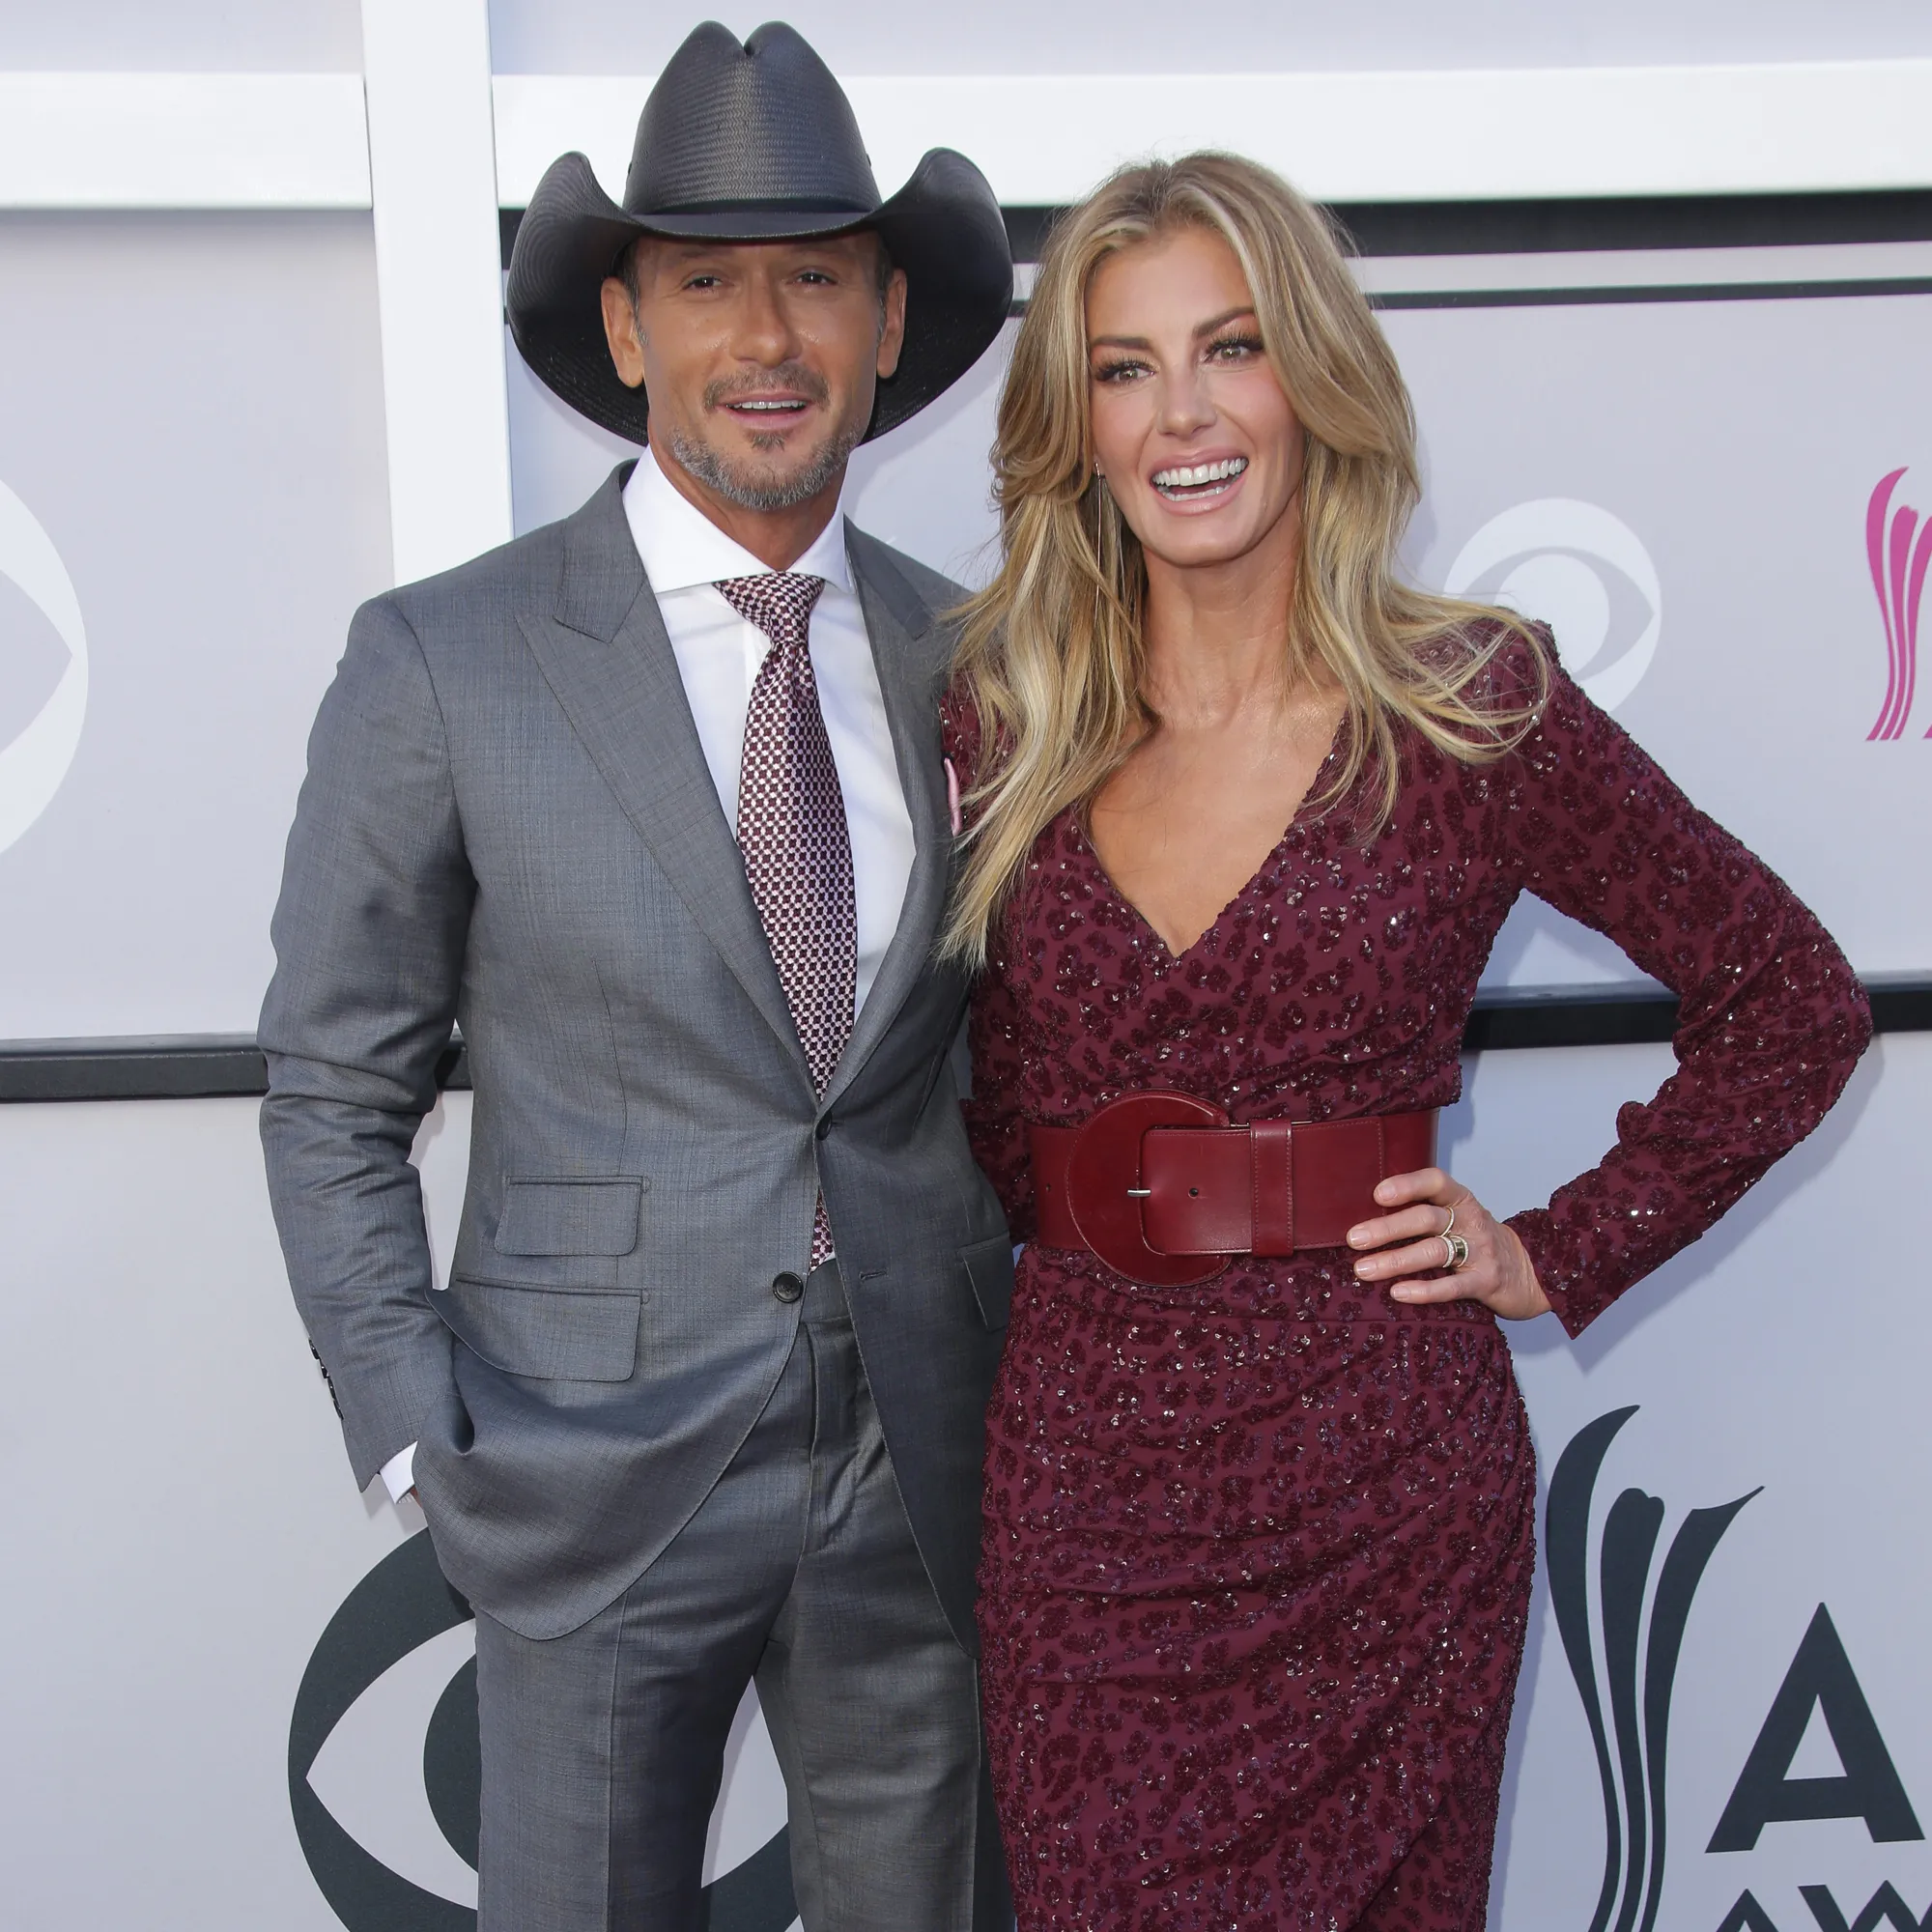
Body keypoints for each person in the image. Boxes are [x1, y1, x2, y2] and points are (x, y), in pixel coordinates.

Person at [940, 152, 1871, 1932]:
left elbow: (1791, 1000)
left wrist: (1559, 1246)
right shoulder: (1003, 723)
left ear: (1313, 380)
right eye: (1127, 368)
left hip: (1379, 1484)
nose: (1184, 413)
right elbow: (968, 1099)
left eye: (1231, 348)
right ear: (1080, 427)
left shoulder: (1467, 705)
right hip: (1085, 1494)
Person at [260, 23, 1015, 1932]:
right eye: (703, 282)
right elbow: (335, 1087)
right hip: (585, 1468)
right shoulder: (445, 660)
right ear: (621, 325)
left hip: (919, 1465)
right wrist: (418, 1423)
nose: (765, 337)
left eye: (816, 278)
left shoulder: (985, 659)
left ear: (883, 322)